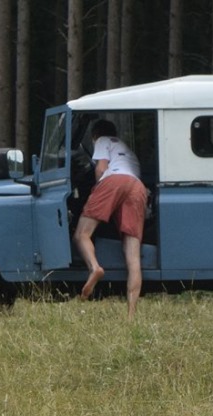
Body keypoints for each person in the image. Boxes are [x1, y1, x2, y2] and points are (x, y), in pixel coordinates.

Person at [75, 117, 148, 318]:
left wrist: (97, 191)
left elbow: (101, 168)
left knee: (82, 234)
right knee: (133, 257)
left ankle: (95, 268)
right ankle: (131, 315)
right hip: (137, 187)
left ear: (95, 135)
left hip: (113, 180)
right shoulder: (129, 151)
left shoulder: (103, 140)